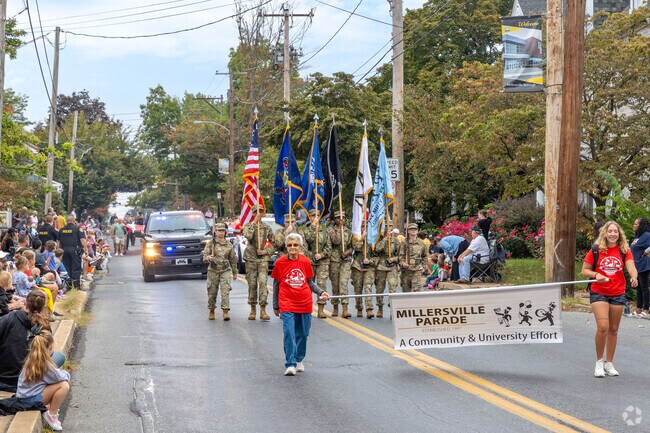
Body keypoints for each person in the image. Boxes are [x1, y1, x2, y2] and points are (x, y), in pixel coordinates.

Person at [582, 221, 638, 378]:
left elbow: (631, 267)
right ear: (604, 233)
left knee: (613, 330)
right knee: (603, 327)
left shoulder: (624, 251)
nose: (613, 234)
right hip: (599, 292)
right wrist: (596, 275)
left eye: (616, 231)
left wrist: (634, 276)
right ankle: (599, 362)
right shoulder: (596, 250)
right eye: (610, 231)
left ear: (619, 234)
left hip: (618, 293)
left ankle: (609, 363)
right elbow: (584, 270)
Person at [272, 233, 329, 376]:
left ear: (300, 246)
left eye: (295, 245)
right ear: (286, 247)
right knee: (289, 333)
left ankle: (299, 359)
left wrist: (321, 292)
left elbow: (309, 282)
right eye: (290, 245)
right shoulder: (280, 262)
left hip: (304, 302)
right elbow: (276, 285)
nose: (292, 248)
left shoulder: (305, 261)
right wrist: (275, 305)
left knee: (303, 333)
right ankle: (290, 363)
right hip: (286, 302)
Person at [0, 290, 64, 392]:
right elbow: (48, 354)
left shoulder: (10, 317)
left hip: (3, 380)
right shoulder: (45, 325)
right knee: (60, 356)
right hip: (29, 381)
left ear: (26, 304)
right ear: (43, 307)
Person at [16, 330, 70, 431]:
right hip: (30, 400)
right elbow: (62, 378)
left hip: (24, 396)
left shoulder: (32, 358)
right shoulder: (45, 364)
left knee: (56, 382)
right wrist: (65, 373)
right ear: (49, 348)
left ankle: (50, 410)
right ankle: (51, 415)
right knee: (64, 385)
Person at [243, 205, 275, 321]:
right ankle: (252, 309)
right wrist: (254, 222)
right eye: (256, 212)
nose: (258, 213)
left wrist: (266, 251)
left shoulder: (267, 228)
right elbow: (247, 235)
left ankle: (263, 309)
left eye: (260, 212)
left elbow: (274, 243)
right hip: (251, 258)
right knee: (252, 284)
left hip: (262, 260)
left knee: (262, 283)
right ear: (252, 213)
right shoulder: (248, 226)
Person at [299, 209, 331, 319]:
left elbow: (329, 247)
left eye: (317, 215)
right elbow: (307, 241)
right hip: (310, 262)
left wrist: (321, 255)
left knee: (321, 285)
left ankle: (321, 309)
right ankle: (307, 308)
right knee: (308, 285)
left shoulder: (324, 231)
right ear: (310, 217)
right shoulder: (304, 230)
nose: (315, 217)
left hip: (322, 262)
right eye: (313, 216)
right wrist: (313, 226)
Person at [202, 223, 237, 321]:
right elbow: (204, 257)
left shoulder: (229, 244)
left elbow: (232, 260)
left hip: (225, 270)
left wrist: (235, 272)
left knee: (225, 291)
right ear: (215, 232)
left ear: (225, 232)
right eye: (219, 231)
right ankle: (211, 310)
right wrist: (210, 258)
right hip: (213, 270)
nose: (221, 233)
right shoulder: (210, 243)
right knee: (212, 292)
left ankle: (225, 311)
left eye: (223, 231)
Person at [327, 211, 353, 318]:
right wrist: (338, 232)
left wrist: (347, 252)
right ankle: (335, 307)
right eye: (338, 218)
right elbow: (336, 242)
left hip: (345, 260)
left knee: (343, 283)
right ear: (335, 219)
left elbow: (353, 246)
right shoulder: (331, 230)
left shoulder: (349, 232)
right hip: (334, 260)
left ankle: (345, 308)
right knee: (335, 285)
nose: (340, 220)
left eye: (342, 217)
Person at [373, 219, 400, 318]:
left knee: (392, 287)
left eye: (390, 226)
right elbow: (377, 249)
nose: (388, 228)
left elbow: (400, 255)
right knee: (379, 288)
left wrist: (394, 259)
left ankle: (392, 309)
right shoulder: (379, 238)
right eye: (386, 226)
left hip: (392, 266)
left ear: (392, 227)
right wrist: (385, 239)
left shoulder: (396, 241)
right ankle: (380, 308)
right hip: (381, 266)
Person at [351, 229, 377, 318]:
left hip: (369, 267)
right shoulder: (356, 236)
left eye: (365, 226)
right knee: (358, 288)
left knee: (368, 287)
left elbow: (377, 255)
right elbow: (356, 247)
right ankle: (359, 308)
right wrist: (362, 237)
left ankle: (369, 310)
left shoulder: (373, 238)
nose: (364, 228)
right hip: (357, 266)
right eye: (362, 226)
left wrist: (370, 261)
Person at [58, 215, 87, 289]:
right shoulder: (78, 229)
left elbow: (58, 241)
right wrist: (86, 249)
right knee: (76, 267)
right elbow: (82, 240)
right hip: (75, 250)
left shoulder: (61, 229)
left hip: (64, 250)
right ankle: (76, 285)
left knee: (66, 267)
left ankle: (68, 285)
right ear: (74, 220)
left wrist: (58, 251)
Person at [399, 223, 428, 293]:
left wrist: (424, 267)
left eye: (415, 229)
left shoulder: (421, 243)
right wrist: (402, 263)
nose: (413, 231)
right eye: (411, 229)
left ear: (417, 231)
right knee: (406, 291)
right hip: (406, 270)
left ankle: (415, 304)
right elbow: (400, 256)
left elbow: (425, 256)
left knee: (416, 290)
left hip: (417, 269)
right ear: (408, 231)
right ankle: (407, 304)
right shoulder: (404, 243)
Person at [630, 218, 650, 318]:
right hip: (636, 265)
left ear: (641, 225)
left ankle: (646, 309)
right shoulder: (638, 236)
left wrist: (647, 252)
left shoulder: (647, 235)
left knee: (645, 288)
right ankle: (638, 309)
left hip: (644, 264)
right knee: (639, 288)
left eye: (636, 224)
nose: (634, 225)